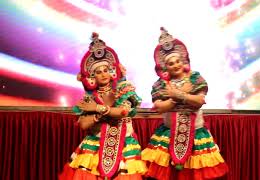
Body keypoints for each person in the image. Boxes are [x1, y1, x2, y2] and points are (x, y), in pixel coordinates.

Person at [141, 27, 229, 180]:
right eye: (171, 63)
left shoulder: (195, 78)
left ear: (183, 61)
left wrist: (176, 95)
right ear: (164, 67)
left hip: (196, 134)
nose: (175, 65)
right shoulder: (160, 84)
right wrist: (180, 96)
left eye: (178, 61)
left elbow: (199, 102)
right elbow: (160, 108)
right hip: (169, 133)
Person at [59, 32, 147, 180]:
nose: (103, 74)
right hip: (95, 144)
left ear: (111, 71)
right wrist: (100, 114)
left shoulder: (123, 89)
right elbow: (83, 124)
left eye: (106, 70)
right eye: (98, 72)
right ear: (92, 77)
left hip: (123, 142)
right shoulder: (89, 98)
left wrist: (97, 109)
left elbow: (123, 112)